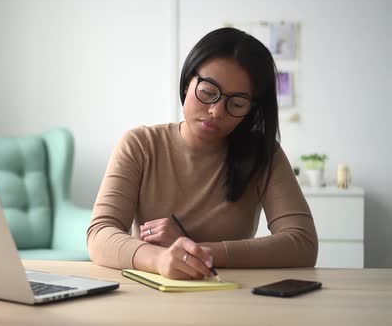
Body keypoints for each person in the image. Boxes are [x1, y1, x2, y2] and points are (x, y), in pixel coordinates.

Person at [86, 27, 318, 280]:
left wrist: (196, 251)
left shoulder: (264, 155)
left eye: (237, 104)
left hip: (229, 295)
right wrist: (161, 260)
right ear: (187, 83)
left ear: (251, 110)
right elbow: (100, 234)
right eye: (208, 92)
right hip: (153, 294)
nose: (217, 111)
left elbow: (302, 243)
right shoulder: (140, 145)